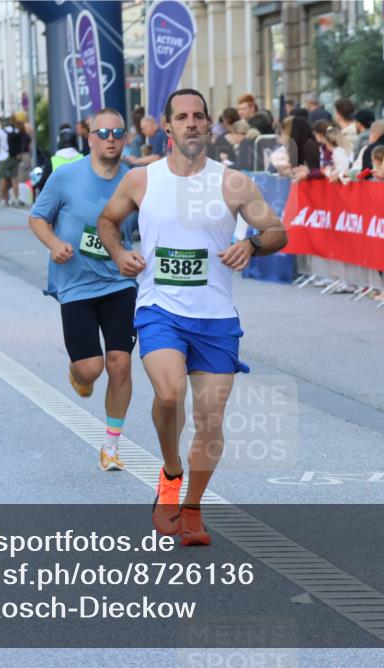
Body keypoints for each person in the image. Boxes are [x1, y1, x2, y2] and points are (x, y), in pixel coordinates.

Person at [96, 88, 287, 546]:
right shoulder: (143, 180)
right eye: (182, 117)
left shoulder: (233, 183)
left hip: (216, 317)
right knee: (168, 393)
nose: (192, 123)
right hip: (159, 308)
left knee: (210, 421)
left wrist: (252, 244)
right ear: (168, 127)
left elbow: (276, 230)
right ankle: (171, 471)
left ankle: (194, 508)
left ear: (208, 125)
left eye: (199, 116)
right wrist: (120, 252)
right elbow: (107, 221)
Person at [28, 108, 138, 472]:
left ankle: (111, 445)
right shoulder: (65, 176)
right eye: (102, 132)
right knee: (91, 370)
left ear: (125, 139)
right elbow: (37, 218)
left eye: (117, 132)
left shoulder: (135, 181)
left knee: (120, 363)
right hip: (75, 284)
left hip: (119, 282)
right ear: (89, 139)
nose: (110, 138)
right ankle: (78, 373)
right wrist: (54, 243)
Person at [36, 127, 83, 193]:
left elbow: (43, 185)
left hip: (60, 201)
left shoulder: (53, 161)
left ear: (59, 142)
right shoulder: (83, 158)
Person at [0, 119, 23, 207]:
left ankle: (3, 200)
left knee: (2, 179)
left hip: (3, 158)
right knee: (14, 179)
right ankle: (16, 199)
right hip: (14, 157)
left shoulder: (1, 132)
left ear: (2, 124)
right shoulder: (16, 131)